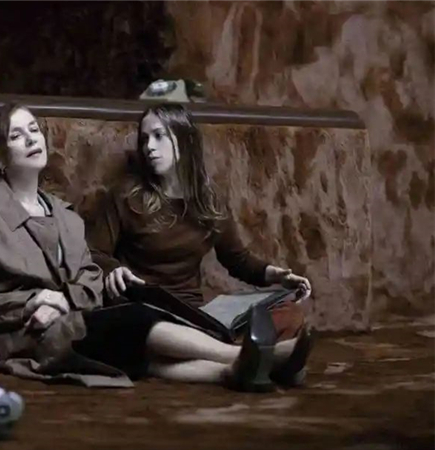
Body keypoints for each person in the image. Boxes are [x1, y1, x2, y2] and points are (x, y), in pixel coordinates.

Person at [0, 103, 304, 391]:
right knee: (136, 318)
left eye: (34, 129)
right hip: (23, 338)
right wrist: (30, 303)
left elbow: (87, 277)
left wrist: (63, 300)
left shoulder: (64, 215)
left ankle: (237, 370)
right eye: (17, 135)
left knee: (142, 353)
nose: (32, 139)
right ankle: (251, 354)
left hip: (75, 322)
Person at [87, 103, 314, 387]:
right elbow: (92, 252)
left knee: (289, 311)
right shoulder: (125, 196)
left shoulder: (208, 202)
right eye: (144, 139)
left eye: (158, 136)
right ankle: (260, 358)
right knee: (136, 320)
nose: (149, 147)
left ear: (184, 140)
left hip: (197, 316)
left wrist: (276, 275)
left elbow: (237, 260)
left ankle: (253, 361)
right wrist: (113, 269)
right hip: (146, 313)